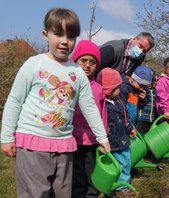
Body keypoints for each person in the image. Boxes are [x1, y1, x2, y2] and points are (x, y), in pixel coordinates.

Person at [0, 8, 110, 198]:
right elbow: (15, 100)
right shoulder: (34, 64)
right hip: (33, 142)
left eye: (71, 36)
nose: (65, 41)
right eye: (58, 34)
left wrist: (102, 137)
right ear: (46, 34)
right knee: (36, 194)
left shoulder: (77, 73)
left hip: (64, 145)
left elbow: (89, 106)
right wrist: (6, 136)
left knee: (62, 193)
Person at [71, 40, 107, 198]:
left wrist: (103, 137)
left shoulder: (98, 89)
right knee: (76, 176)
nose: (87, 65)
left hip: (92, 140)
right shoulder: (69, 85)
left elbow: (103, 114)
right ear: (75, 61)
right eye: (83, 61)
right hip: (74, 140)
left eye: (92, 62)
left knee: (91, 173)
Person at [97, 68, 138, 197]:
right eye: (116, 88)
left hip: (122, 139)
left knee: (125, 163)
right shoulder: (102, 105)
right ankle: (109, 188)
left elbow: (126, 116)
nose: (120, 90)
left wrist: (130, 127)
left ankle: (122, 186)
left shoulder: (119, 102)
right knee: (111, 167)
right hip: (110, 142)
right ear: (108, 90)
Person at [137, 69, 157, 135]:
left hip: (151, 119)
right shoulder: (143, 90)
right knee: (141, 134)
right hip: (142, 118)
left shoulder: (155, 91)